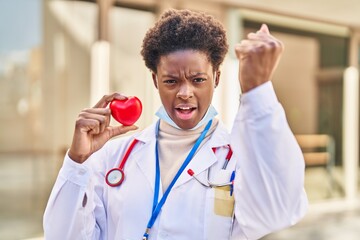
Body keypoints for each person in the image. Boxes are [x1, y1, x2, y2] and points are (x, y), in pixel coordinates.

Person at [43, 9, 307, 240]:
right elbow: (62, 236)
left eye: (198, 80)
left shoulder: (235, 159)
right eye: (171, 81)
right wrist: (77, 162)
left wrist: (256, 92)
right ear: (155, 80)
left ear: (216, 77)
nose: (184, 92)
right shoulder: (114, 157)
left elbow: (278, 211)